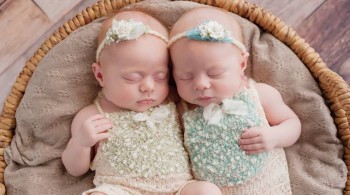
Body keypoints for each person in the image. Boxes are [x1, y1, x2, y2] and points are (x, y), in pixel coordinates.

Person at [62, 10, 203, 195]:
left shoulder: (172, 102)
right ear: (100, 75)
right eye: (132, 78)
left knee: (205, 190)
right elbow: (75, 170)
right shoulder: (93, 115)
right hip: (121, 190)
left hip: (179, 188)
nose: (148, 87)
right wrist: (81, 143)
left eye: (161, 77)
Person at [168, 7, 301, 194]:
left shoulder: (258, 95)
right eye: (185, 77)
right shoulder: (182, 111)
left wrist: (275, 135)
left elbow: (293, 124)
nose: (201, 84)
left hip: (265, 185)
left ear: (242, 65)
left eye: (215, 73)